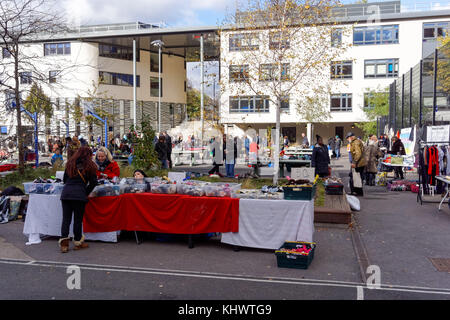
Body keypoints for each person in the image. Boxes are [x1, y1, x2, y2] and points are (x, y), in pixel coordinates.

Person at [59, 146, 98, 253]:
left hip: (66, 194)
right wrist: (85, 192)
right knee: (77, 220)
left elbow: (65, 180)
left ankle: (64, 245)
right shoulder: (90, 165)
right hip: (79, 195)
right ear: (89, 155)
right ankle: (77, 242)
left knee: (66, 220)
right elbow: (94, 182)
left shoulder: (70, 164)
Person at [347, 132, 367, 196]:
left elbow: (358, 153)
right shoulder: (356, 142)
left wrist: (354, 162)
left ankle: (355, 191)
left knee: (353, 177)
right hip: (360, 162)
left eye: (348, 138)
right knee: (357, 177)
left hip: (358, 163)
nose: (347, 140)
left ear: (351, 137)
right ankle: (358, 192)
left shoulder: (355, 142)